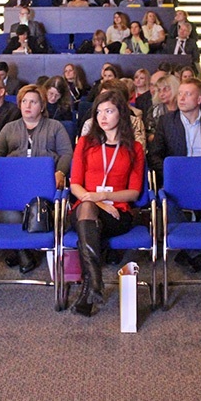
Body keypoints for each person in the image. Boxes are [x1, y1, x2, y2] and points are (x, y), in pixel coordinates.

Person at [68, 90, 144, 316]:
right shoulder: (85, 143)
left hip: (118, 213)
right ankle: (95, 280)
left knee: (88, 227)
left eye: (109, 111)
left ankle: (91, 286)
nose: (102, 117)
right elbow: (75, 185)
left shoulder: (134, 148)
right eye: (99, 112)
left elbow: (133, 193)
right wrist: (99, 202)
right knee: (87, 211)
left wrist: (100, 197)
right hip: (85, 207)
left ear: (121, 113)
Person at [148, 77, 201, 276]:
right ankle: (198, 254)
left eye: (188, 94)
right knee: (166, 203)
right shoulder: (166, 122)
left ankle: (189, 251)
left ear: (200, 99)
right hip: (177, 182)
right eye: (180, 94)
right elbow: (154, 155)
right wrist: (171, 174)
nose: (181, 98)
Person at [0, 85, 73, 272]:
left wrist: (60, 172)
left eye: (33, 102)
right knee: (7, 209)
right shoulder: (9, 128)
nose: (27, 106)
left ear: (42, 106)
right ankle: (23, 252)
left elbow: (67, 154)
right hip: (15, 184)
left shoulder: (55, 127)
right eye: (24, 102)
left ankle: (17, 251)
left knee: (36, 211)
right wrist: (5, 173)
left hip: (44, 185)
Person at [145, 74, 179, 142]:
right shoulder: (155, 110)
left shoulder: (184, 109)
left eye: (165, 90)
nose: (161, 94)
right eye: (159, 90)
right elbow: (148, 134)